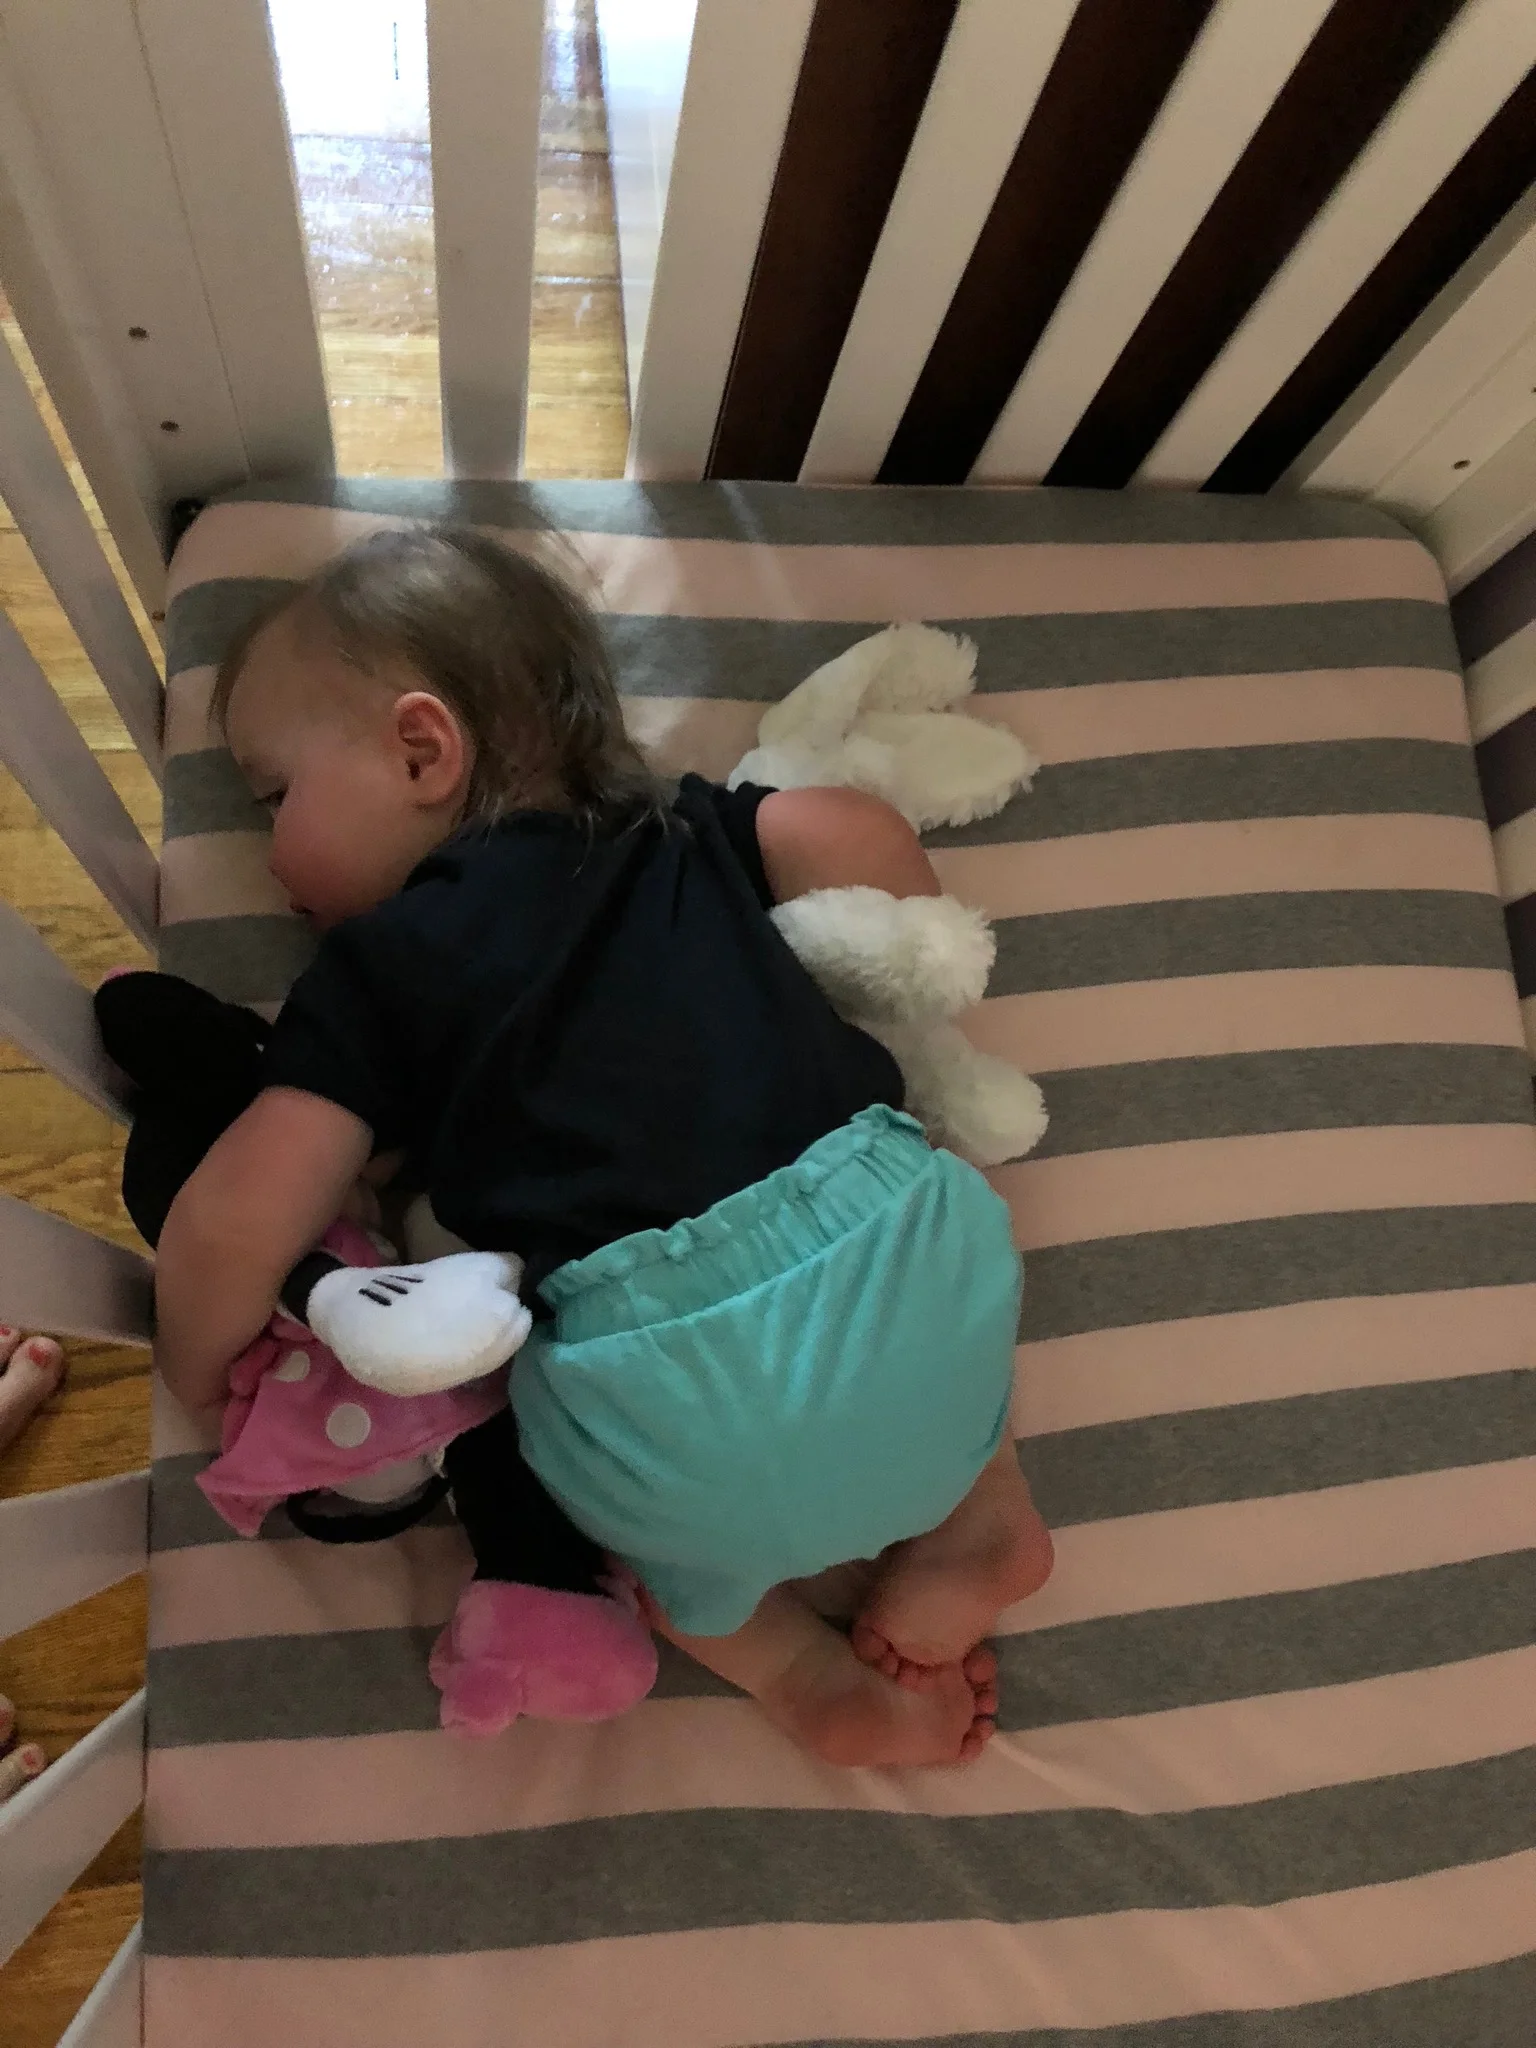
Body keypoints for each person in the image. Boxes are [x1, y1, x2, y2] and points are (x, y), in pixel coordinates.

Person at [153, 525, 1053, 1768]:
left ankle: (795, 1667)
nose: (265, 854)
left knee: (569, 1475)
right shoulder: (678, 832)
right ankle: (980, 1512)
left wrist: (196, 1365)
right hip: (891, 1240)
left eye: (274, 796)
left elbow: (237, 1215)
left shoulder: (378, 970)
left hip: (666, 1391)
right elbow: (856, 832)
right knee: (951, 1265)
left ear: (420, 749)